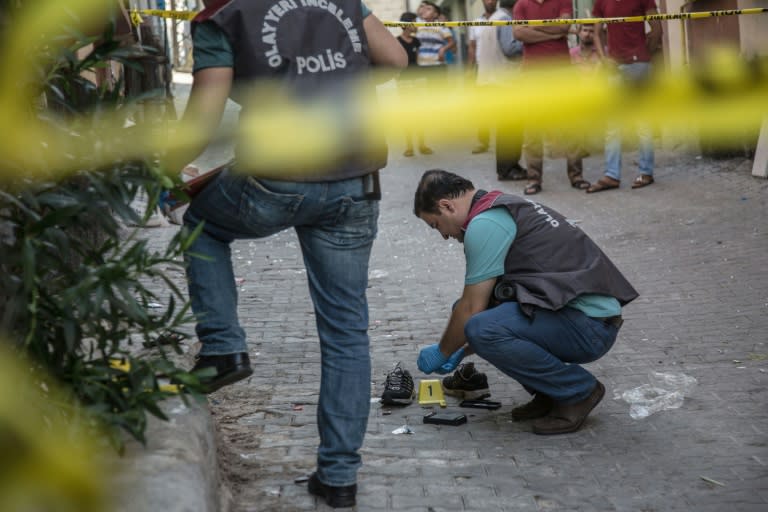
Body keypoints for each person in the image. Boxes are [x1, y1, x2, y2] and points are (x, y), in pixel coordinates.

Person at [175, 0, 406, 508]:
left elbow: (203, 119)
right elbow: (395, 58)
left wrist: (161, 168)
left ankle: (223, 348)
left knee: (201, 226)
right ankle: (339, 477)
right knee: (347, 328)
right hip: (355, 175)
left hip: (275, 176)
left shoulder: (222, 14)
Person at [413, 169, 638, 435]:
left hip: (590, 326)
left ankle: (578, 392)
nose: (443, 236)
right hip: (580, 317)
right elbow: (482, 309)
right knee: (479, 323)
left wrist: (443, 351)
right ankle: (549, 393)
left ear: (446, 205)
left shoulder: (484, 224)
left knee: (479, 326)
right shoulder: (499, 204)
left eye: (436, 225)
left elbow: (472, 309)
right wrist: (460, 350)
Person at [513, 0, 590, 195]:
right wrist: (555, 32)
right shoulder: (521, 4)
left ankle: (576, 175)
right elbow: (519, 33)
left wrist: (535, 26)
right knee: (532, 131)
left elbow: (564, 25)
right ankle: (533, 179)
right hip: (533, 75)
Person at [586, 0, 662, 193]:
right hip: (615, 67)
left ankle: (646, 172)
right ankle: (612, 175)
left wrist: (644, 53)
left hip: (638, 65)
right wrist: (604, 59)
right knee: (613, 124)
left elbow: (656, 28)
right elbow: (597, 31)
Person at [397, 11, 432, 157]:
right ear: (407, 24)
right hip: (404, 82)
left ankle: (422, 144)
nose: (416, 25)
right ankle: (409, 146)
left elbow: (418, 61)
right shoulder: (397, 41)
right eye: (414, 22)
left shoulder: (417, 41)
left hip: (418, 80)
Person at [467, 0, 498, 155]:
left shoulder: (503, 19)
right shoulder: (476, 23)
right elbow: (472, 46)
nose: (490, 1)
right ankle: (483, 142)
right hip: (482, 70)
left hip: (501, 69)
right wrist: (469, 69)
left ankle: (504, 142)